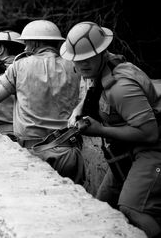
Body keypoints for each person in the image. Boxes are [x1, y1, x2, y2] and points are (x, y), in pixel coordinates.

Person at [61, 21, 161, 238]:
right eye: (78, 60)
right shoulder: (99, 70)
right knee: (101, 206)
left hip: (152, 151)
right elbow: (95, 94)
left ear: (102, 53)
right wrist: (78, 110)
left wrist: (100, 131)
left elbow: (150, 133)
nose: (83, 65)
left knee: (131, 208)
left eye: (88, 58)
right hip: (126, 150)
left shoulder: (121, 86)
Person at [0, 19, 85, 185]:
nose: (25, 48)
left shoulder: (19, 66)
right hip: (70, 152)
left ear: (34, 43)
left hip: (35, 153)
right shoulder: (75, 67)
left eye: (26, 43)